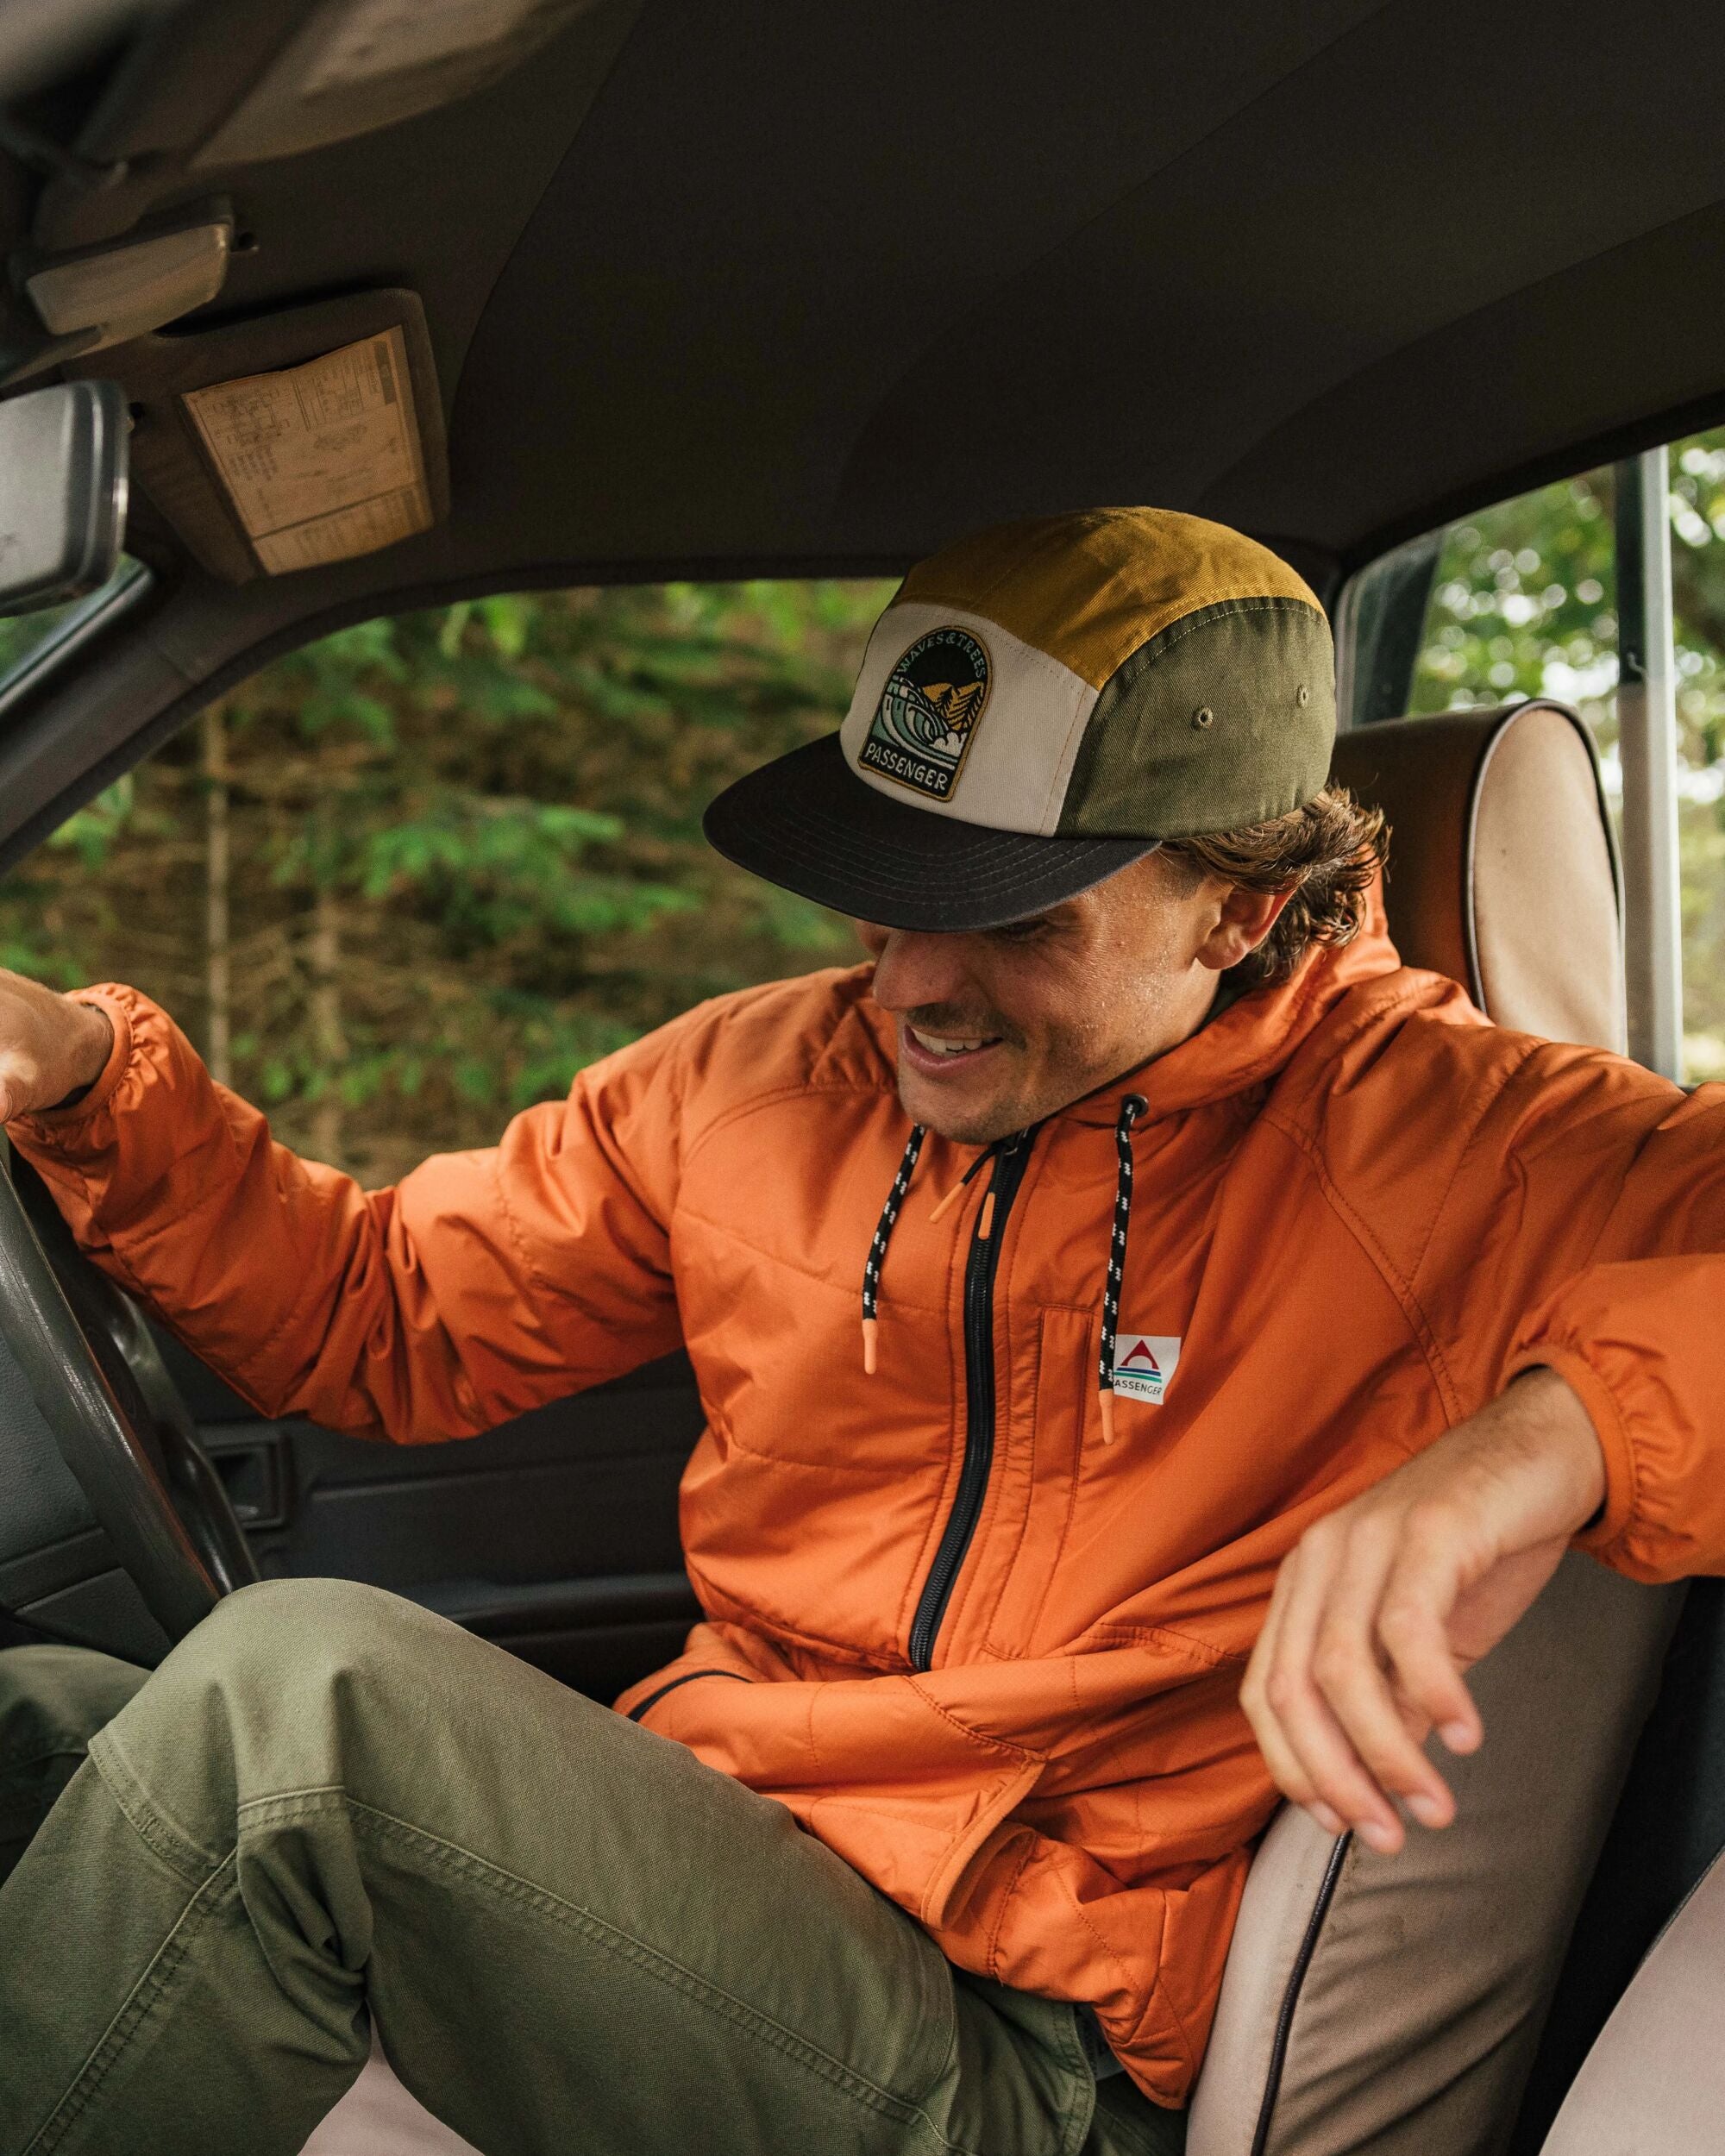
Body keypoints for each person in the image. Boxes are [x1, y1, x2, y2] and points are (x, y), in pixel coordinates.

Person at [0, 507, 1717, 2156]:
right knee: (35, 1719)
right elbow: (383, 1316)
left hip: (1017, 2028)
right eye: (886, 889)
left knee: (293, 1714)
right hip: (727, 1851)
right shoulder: (755, 1082)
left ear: (1239, 910)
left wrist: (1542, 1439)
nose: (907, 983)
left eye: (1016, 920)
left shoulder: (1465, 1144)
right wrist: (89, 1083)